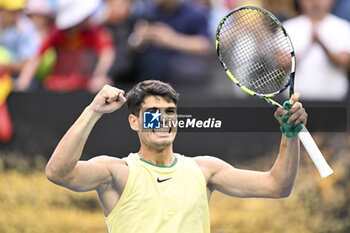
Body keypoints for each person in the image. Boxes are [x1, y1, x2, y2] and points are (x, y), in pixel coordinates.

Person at [46, 79, 307, 233]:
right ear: (134, 122)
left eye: (170, 112)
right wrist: (93, 110)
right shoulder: (117, 172)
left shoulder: (205, 170)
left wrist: (290, 135)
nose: (163, 120)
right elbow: (58, 172)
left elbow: (277, 186)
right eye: (153, 113)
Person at [15, 0, 115, 93]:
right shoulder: (57, 32)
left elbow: (107, 53)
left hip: (85, 87)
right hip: (58, 87)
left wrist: (99, 76)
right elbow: (37, 56)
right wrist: (24, 80)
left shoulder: (93, 31)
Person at [129, 0, 212, 84]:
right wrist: (139, 38)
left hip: (179, 71)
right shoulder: (145, 11)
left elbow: (204, 45)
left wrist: (172, 39)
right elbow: (131, 43)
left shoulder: (194, 14)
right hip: (148, 72)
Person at [283, 0, 350, 100]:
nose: (315, 2)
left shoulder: (343, 27)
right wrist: (309, 44)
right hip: (295, 102)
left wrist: (321, 42)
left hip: (335, 101)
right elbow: (281, 64)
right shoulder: (289, 27)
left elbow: (345, 62)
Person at [0, 0, 40, 80]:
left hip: (15, 76)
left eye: (19, 11)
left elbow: (29, 61)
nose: (16, 15)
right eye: (12, 11)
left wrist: (6, 66)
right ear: (1, 9)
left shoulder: (26, 28)